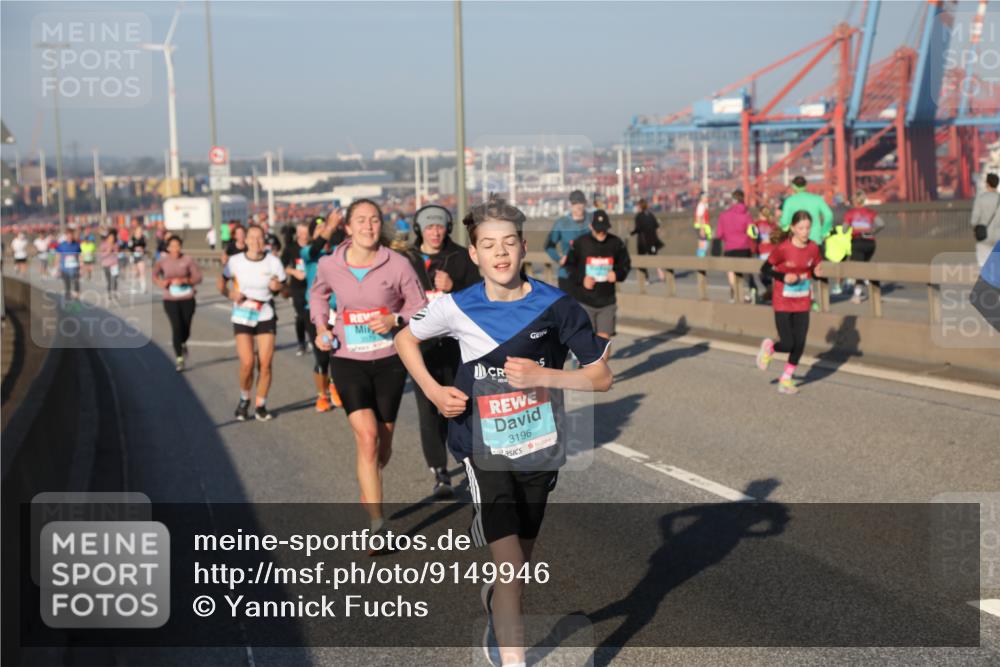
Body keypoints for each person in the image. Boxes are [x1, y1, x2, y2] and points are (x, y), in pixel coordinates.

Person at [395, 194, 613, 667]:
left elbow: (601, 377)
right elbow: (404, 339)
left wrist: (545, 376)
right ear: (473, 254)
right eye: (488, 245)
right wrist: (434, 392)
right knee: (512, 564)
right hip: (481, 447)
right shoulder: (456, 306)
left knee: (521, 560)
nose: (499, 253)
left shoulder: (558, 306)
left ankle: (497, 597)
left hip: (539, 446)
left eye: (509, 243)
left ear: (523, 248)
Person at [310, 199, 427, 540]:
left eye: (374, 220)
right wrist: (321, 328)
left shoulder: (398, 265)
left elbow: (419, 305)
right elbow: (317, 297)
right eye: (360, 220)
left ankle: (369, 482)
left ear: (381, 225)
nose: (368, 226)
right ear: (347, 227)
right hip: (347, 360)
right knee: (368, 437)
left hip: (390, 359)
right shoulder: (331, 264)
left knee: (383, 447)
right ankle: (377, 525)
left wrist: (396, 318)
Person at [405, 204, 481, 497]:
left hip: (457, 347)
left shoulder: (461, 257)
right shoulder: (407, 260)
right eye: (429, 227)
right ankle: (439, 470)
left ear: (447, 228)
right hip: (421, 348)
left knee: (460, 405)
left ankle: (468, 457)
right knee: (429, 411)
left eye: (439, 226)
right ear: (419, 230)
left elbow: (479, 295)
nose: (435, 232)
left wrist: (455, 285)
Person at [217, 224, 287, 421]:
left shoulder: (273, 262)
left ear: (264, 241)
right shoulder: (235, 261)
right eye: (252, 237)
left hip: (265, 312)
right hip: (243, 313)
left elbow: (285, 289)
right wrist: (229, 293)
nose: (256, 242)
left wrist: (278, 287)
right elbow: (220, 282)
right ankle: (244, 398)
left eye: (260, 238)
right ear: (245, 240)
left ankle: (261, 405)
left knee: (265, 364)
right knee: (247, 362)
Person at [756, 210, 824, 395]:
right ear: (793, 228)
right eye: (801, 228)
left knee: (800, 343)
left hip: (802, 300)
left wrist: (817, 274)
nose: (805, 232)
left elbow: (813, 269)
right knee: (787, 343)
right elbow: (764, 269)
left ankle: (786, 379)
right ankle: (770, 347)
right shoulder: (783, 249)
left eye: (808, 228)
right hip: (783, 301)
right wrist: (783, 276)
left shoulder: (814, 248)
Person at [302, 214, 346, 412]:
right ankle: (321, 395)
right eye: (318, 230)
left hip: (339, 311)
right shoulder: (308, 254)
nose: (324, 232)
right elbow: (317, 245)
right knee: (322, 356)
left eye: (326, 229)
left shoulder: (338, 252)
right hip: (315, 312)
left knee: (339, 354)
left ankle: (335, 385)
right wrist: (329, 226)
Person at [564, 208, 631, 338]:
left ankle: (601, 359)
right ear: (590, 226)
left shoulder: (616, 243)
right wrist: (582, 279)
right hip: (584, 300)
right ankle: (580, 356)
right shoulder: (580, 243)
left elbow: (626, 265)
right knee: (587, 339)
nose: (601, 232)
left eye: (604, 229)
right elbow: (569, 266)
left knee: (603, 340)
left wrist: (617, 274)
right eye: (598, 229)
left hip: (607, 300)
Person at [153, 235, 203, 371]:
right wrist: (161, 282)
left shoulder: (187, 260)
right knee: (176, 327)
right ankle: (179, 359)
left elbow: (198, 277)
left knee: (186, 327)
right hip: (170, 298)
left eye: (177, 246)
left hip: (187, 297)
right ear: (168, 248)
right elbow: (154, 275)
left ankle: (183, 342)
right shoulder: (163, 261)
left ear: (181, 247)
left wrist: (185, 281)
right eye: (172, 246)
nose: (175, 249)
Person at [544, 189, 593, 293]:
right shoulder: (562, 223)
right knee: (568, 307)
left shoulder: (592, 219)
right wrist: (559, 259)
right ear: (570, 204)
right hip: (567, 274)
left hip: (589, 273)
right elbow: (549, 246)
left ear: (585, 203)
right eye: (575, 203)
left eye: (581, 202)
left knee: (587, 308)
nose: (578, 206)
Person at [715, 189, 757, 302]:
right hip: (744, 247)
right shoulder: (747, 216)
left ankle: (735, 295)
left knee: (731, 272)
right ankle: (751, 290)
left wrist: (728, 238)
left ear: (732, 200)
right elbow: (753, 233)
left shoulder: (723, 216)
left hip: (730, 248)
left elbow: (719, 234)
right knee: (747, 271)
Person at [282, 222, 312, 356]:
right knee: (300, 316)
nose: (305, 236)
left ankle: (313, 338)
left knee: (314, 316)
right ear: (298, 234)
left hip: (312, 286)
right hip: (297, 287)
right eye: (302, 234)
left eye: (307, 234)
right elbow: (282, 266)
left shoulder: (314, 246)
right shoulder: (291, 248)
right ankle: (301, 343)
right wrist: (294, 272)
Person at [779, 175, 834, 246]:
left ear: (793, 186)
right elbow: (829, 215)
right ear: (805, 186)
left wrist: (785, 229)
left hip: (797, 240)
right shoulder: (817, 199)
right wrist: (824, 231)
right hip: (816, 239)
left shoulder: (789, 201)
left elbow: (784, 221)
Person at [630, 198, 665, 282]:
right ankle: (661, 273)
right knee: (655, 257)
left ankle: (646, 278)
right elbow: (657, 227)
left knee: (642, 260)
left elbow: (638, 228)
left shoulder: (638, 216)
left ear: (640, 206)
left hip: (643, 241)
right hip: (652, 240)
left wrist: (631, 233)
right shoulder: (650, 215)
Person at [971, 173, 1000, 267]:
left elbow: (974, 220)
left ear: (987, 184)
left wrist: (976, 228)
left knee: (983, 262)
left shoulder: (980, 198)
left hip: (984, 236)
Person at [55, 228, 82, 300]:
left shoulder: (76, 245)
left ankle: (76, 299)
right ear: (66, 235)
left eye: (71, 235)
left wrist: (81, 267)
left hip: (75, 268)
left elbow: (79, 256)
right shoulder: (62, 245)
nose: (70, 237)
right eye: (68, 235)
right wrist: (57, 269)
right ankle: (68, 299)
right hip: (65, 269)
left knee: (76, 283)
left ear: (73, 235)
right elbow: (58, 257)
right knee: (67, 284)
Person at [99, 230, 120, 298]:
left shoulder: (115, 244)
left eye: (113, 238)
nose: (112, 239)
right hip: (106, 265)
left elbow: (117, 254)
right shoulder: (103, 244)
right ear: (107, 238)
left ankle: (114, 291)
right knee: (109, 280)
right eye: (110, 238)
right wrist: (108, 251)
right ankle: (109, 293)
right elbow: (101, 255)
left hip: (114, 264)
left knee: (115, 279)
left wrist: (114, 250)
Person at [128, 225, 148, 293]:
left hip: (141, 257)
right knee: (135, 273)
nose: (140, 232)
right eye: (138, 231)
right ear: (135, 231)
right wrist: (135, 249)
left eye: (141, 231)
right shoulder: (132, 239)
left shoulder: (143, 238)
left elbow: (145, 247)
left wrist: (143, 250)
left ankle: (143, 288)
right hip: (134, 257)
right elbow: (130, 248)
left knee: (142, 272)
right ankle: (133, 287)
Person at [694, 192, 712, 257]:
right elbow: (700, 217)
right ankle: (700, 262)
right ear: (702, 198)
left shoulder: (702, 205)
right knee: (703, 246)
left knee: (703, 246)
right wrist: (702, 229)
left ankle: (700, 261)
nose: (707, 198)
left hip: (703, 227)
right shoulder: (701, 206)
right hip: (702, 228)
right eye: (706, 197)